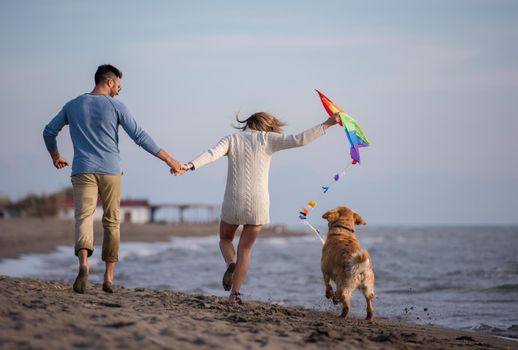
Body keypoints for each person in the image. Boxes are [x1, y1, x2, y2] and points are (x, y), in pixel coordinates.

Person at [43, 64, 182, 294]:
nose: (119, 89)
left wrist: (56, 156)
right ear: (109, 82)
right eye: (118, 85)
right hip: (111, 171)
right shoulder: (116, 106)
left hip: (82, 170)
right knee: (112, 222)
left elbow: (49, 132)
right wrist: (170, 160)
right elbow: (139, 136)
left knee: (84, 218)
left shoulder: (73, 105)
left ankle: (84, 265)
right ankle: (108, 278)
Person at [178, 111, 340, 303]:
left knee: (225, 239)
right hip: (258, 203)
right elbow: (300, 140)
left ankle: (231, 264)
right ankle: (234, 295)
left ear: (248, 123)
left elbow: (211, 154)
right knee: (245, 250)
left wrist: (189, 165)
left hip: (233, 200)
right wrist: (328, 124)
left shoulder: (232, 139)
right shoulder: (268, 139)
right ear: (267, 125)